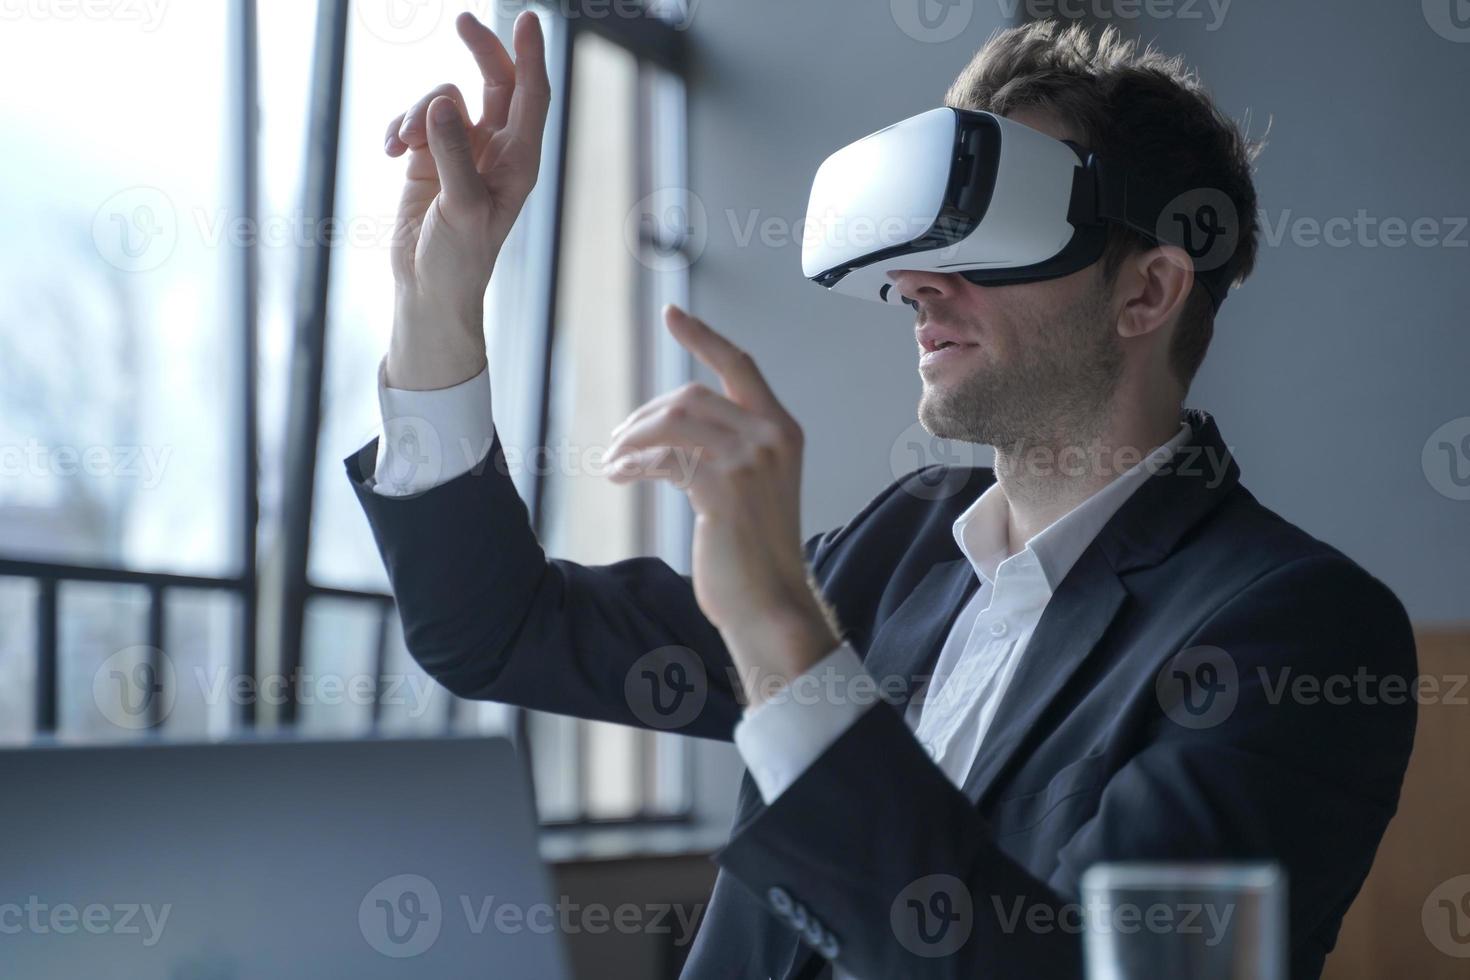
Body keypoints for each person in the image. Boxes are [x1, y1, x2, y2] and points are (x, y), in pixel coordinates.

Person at [346, 12, 1416, 978]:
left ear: (1146, 289)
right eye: (917, 239)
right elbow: (494, 629)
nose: (912, 283)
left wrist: (775, 624)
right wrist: (436, 299)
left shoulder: (1300, 632)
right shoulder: (894, 551)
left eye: (988, 232)